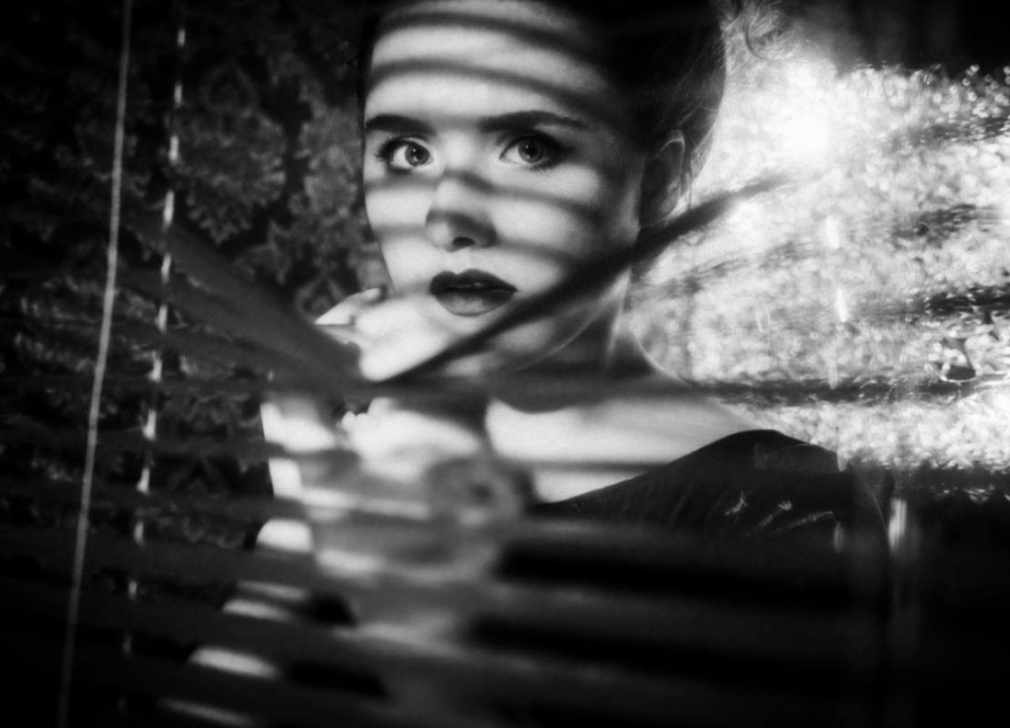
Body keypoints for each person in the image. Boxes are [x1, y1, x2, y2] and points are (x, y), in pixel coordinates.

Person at [173, 0, 887, 723]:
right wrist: (295, 540)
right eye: (409, 153)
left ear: (658, 181)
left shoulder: (782, 510)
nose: (448, 217)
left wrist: (412, 635)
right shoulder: (341, 456)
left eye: (528, 148)